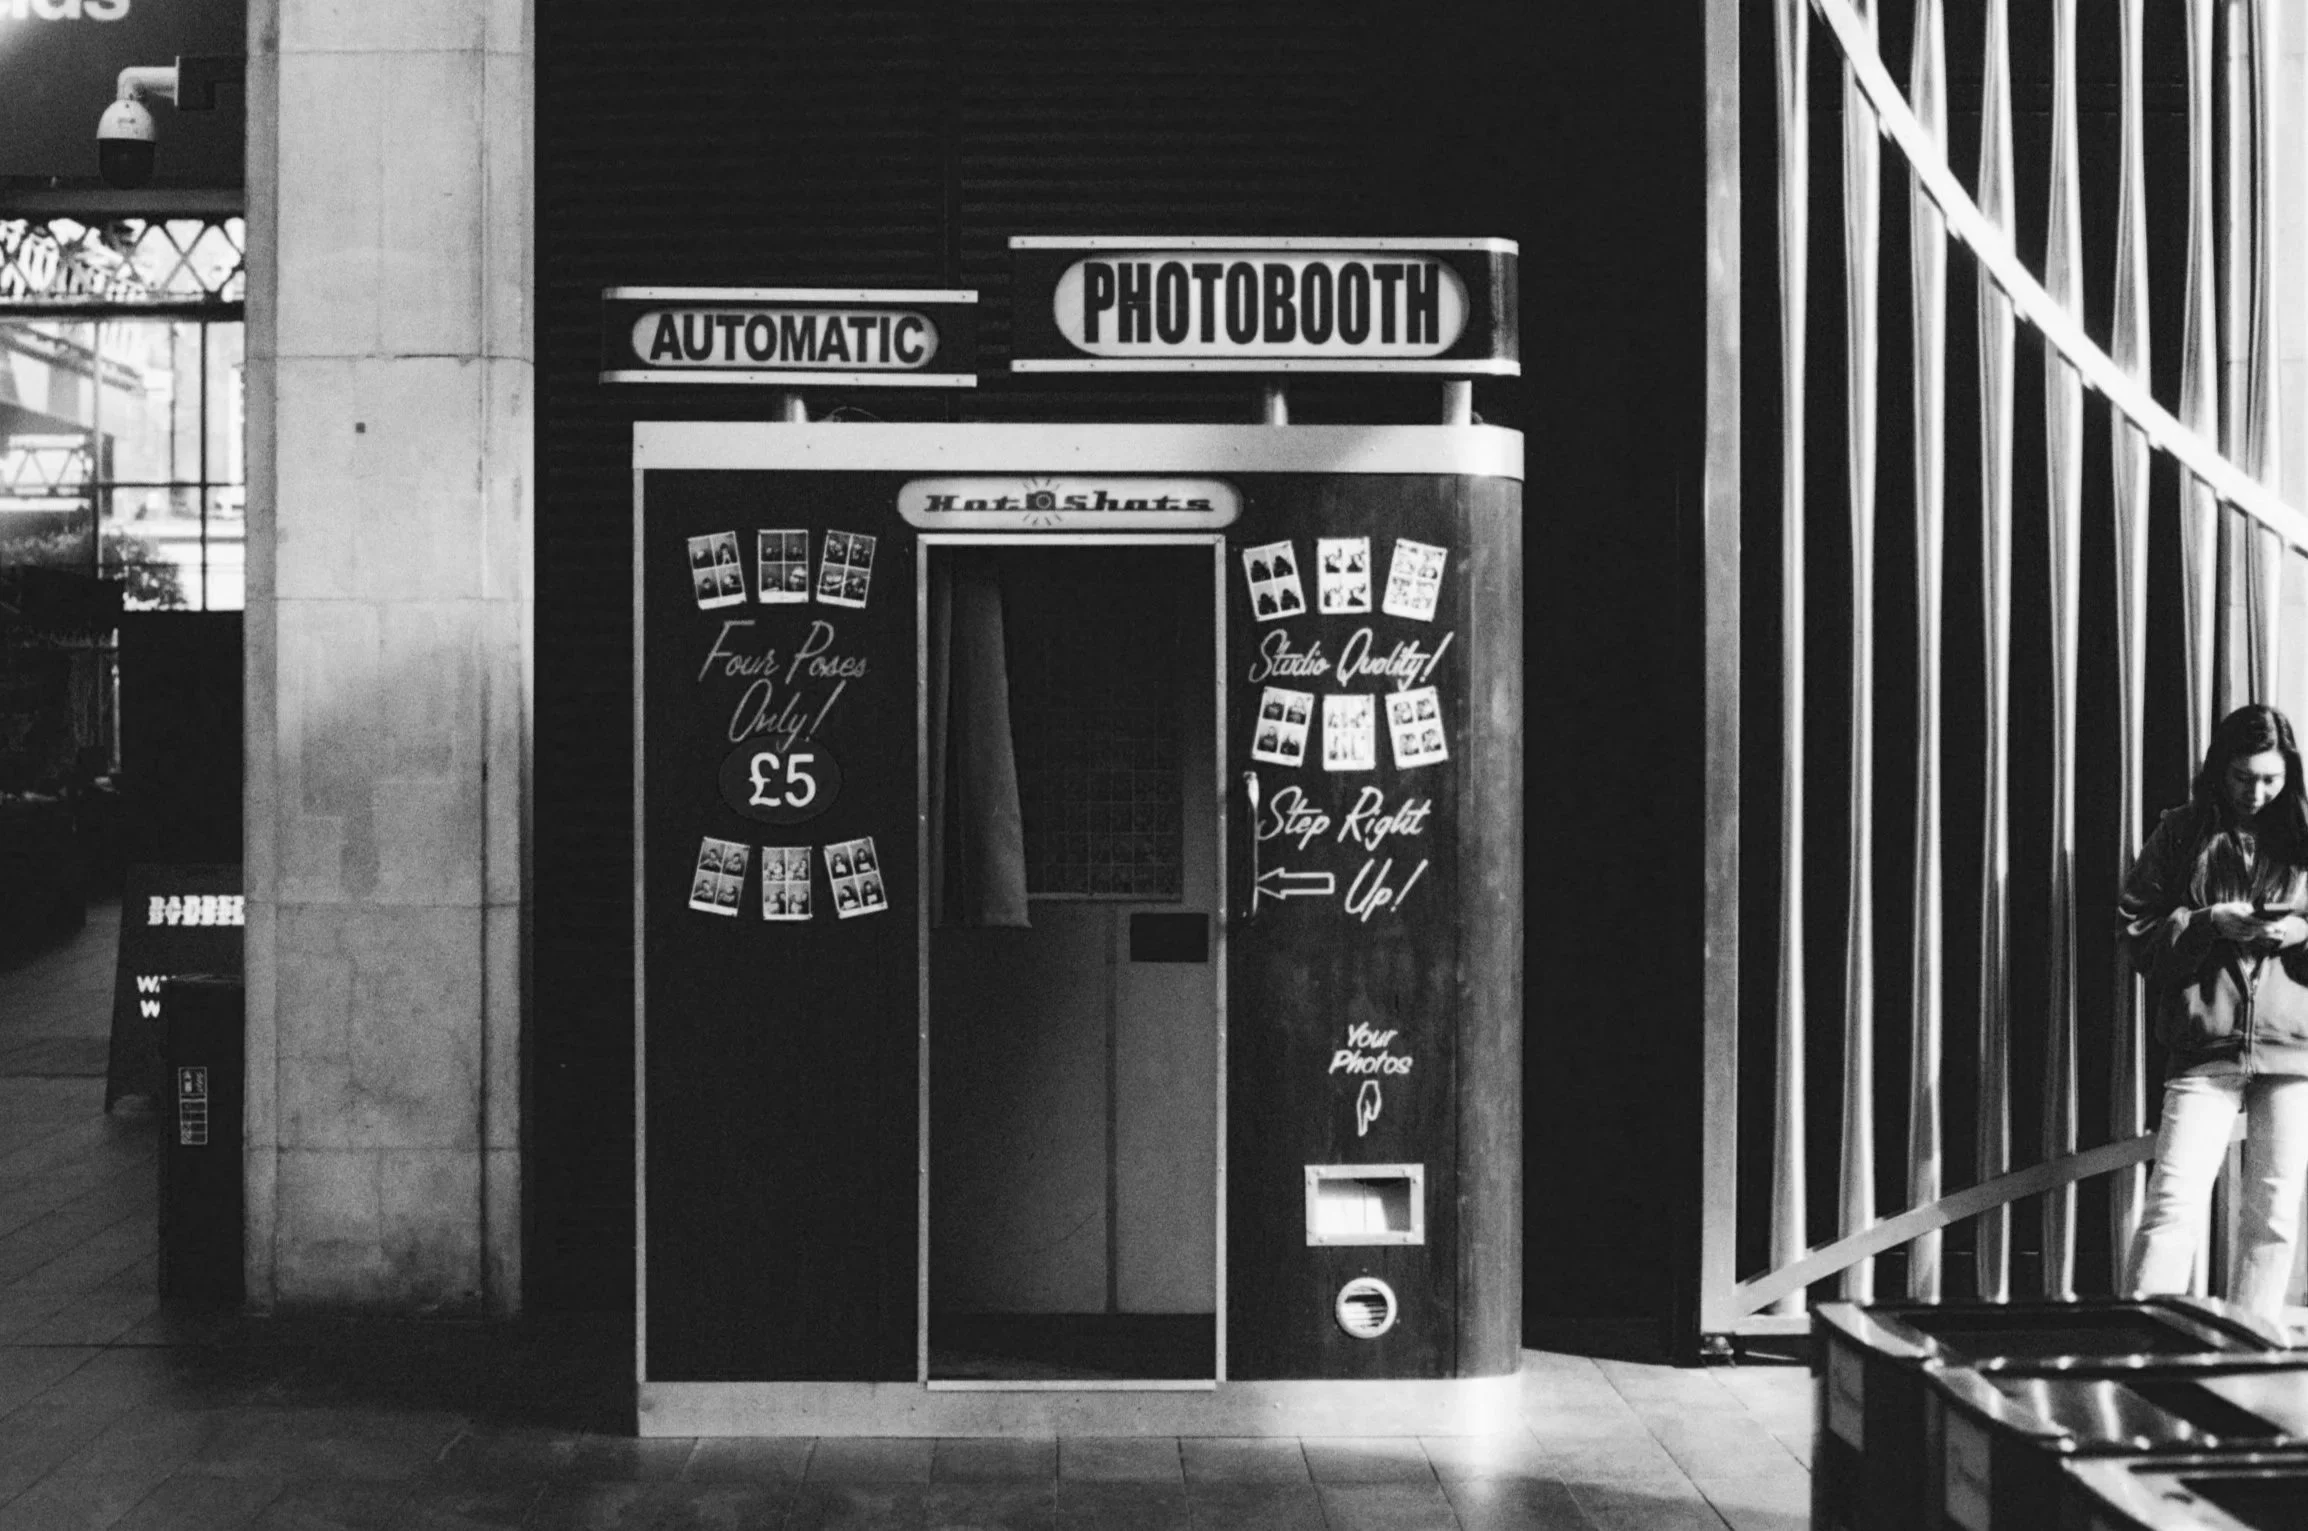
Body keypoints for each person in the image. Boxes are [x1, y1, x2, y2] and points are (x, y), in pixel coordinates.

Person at [2122, 703, 2308, 1317]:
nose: (2256, 792)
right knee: (2172, 1205)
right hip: (2205, 1045)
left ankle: (2249, 1353)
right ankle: (2138, 1347)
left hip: (2292, 1048)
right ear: (2219, 770)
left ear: (2290, 775)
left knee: (2275, 1214)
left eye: (2270, 779)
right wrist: (2206, 923)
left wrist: (2299, 935)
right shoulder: (2180, 832)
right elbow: (2136, 930)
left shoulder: (2304, 835)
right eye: (2243, 777)